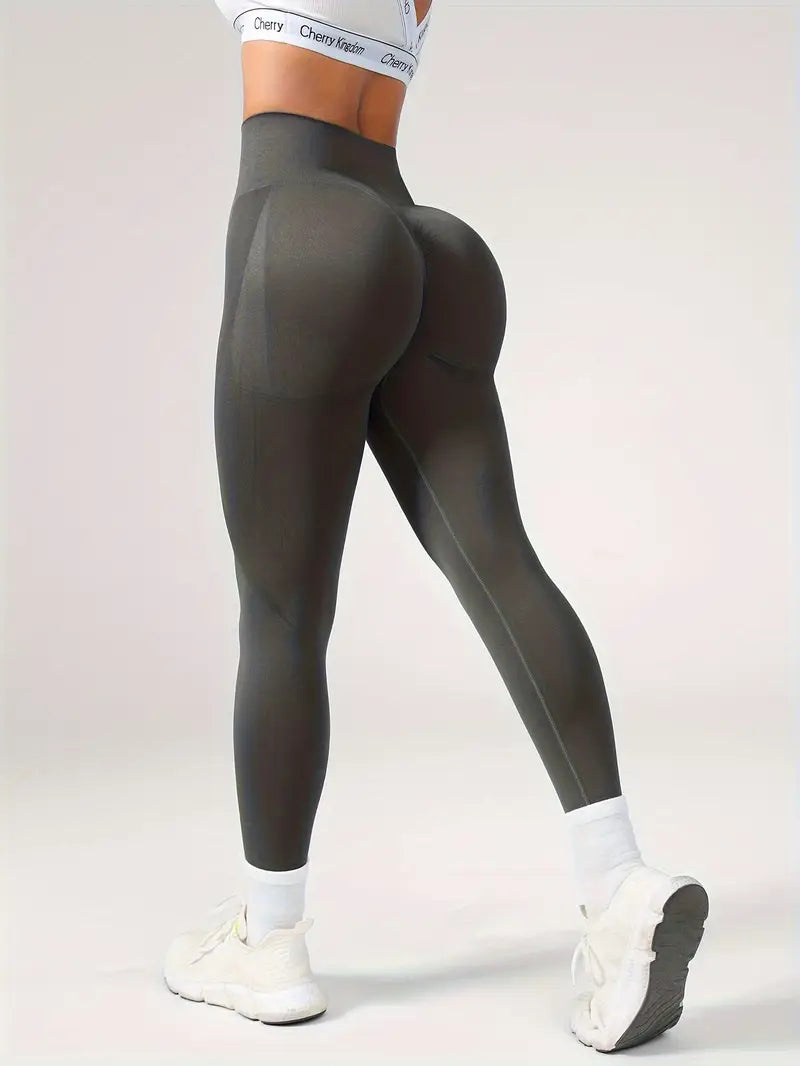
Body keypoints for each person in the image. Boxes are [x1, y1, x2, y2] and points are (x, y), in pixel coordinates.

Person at [163, 1, 709, 1051]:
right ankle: (618, 882)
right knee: (499, 558)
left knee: (280, 611)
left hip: (303, 228)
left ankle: (267, 942)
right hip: (429, 244)